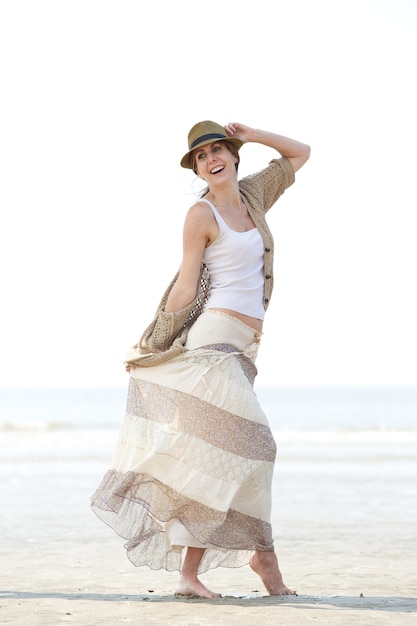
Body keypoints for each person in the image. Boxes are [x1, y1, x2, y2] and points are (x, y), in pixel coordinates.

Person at [91, 120, 310, 598]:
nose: (211, 159)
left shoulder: (253, 196)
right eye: (201, 156)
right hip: (212, 343)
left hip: (247, 348)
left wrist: (251, 133)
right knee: (257, 446)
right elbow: (186, 286)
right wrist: (154, 344)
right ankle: (262, 559)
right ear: (196, 168)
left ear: (232, 155)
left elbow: (300, 153)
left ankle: (200, 575)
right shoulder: (200, 214)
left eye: (218, 149)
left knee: (220, 457)